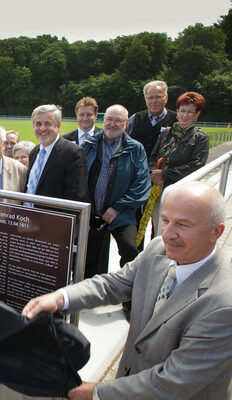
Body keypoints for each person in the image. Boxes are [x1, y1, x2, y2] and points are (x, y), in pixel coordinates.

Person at [22, 181, 232, 400]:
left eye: (182, 224)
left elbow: (173, 382)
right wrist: (61, 297)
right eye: (166, 220)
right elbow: (112, 285)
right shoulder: (158, 250)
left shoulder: (229, 306)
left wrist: (97, 393)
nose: (168, 234)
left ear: (216, 232)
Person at [81, 105, 151, 279]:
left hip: (122, 214)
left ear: (126, 123)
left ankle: (129, 298)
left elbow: (142, 183)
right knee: (89, 257)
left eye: (118, 120)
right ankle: (88, 296)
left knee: (130, 252)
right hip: (93, 213)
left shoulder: (136, 149)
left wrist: (118, 207)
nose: (112, 124)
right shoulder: (88, 145)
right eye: (109, 119)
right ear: (103, 121)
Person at [149, 92, 210, 237]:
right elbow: (152, 157)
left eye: (190, 112)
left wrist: (164, 174)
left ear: (197, 114)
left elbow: (196, 164)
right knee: (157, 230)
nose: (185, 115)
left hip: (181, 195)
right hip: (159, 191)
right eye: (182, 111)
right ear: (177, 112)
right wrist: (153, 172)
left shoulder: (201, 138)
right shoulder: (165, 133)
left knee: (174, 233)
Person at [24, 104, 88, 205]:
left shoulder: (73, 153)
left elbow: (75, 197)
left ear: (58, 125)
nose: (42, 128)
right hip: (28, 217)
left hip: (52, 219)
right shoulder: (34, 152)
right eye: (38, 124)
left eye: (48, 124)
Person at [126, 80, 177, 165]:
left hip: (162, 174)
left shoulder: (176, 120)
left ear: (166, 97)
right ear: (145, 99)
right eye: (150, 97)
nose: (154, 101)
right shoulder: (135, 118)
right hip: (134, 170)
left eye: (158, 97)